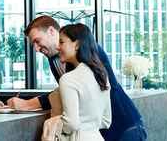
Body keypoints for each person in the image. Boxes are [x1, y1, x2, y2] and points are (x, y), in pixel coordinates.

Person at [8, 16, 148, 141]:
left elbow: (75, 91)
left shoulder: (89, 50)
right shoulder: (54, 60)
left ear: (51, 31)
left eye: (37, 41)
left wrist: (28, 105)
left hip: (124, 128)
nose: (36, 49)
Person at [56, 23, 112, 140]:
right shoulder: (101, 75)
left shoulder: (68, 79)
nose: (58, 47)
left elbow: (72, 124)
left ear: (76, 45)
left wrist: (53, 124)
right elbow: (106, 120)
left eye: (61, 42)